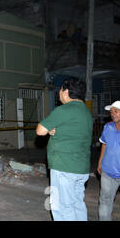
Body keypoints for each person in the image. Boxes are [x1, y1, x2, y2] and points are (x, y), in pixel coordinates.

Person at [36, 78, 93, 221]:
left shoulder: (64, 110)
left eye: (60, 90)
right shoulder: (86, 112)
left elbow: (40, 131)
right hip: (81, 168)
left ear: (66, 92)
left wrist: (48, 130)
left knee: (62, 208)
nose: (59, 94)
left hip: (64, 167)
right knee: (77, 205)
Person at [97, 100, 120, 221]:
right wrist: (100, 162)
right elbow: (104, 144)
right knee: (105, 201)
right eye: (111, 112)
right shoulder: (108, 127)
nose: (113, 114)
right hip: (108, 172)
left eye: (116, 111)